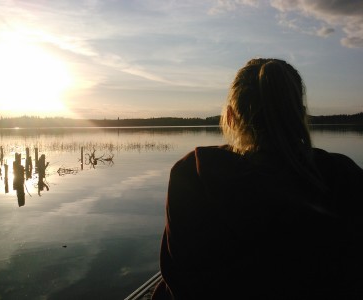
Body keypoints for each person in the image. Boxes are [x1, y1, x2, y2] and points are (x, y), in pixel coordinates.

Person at [152, 58, 363, 299]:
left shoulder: (191, 175)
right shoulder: (343, 175)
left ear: (230, 117)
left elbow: (181, 279)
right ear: (299, 115)